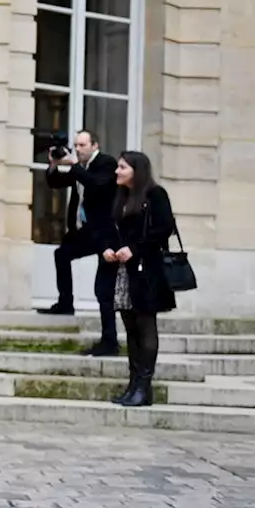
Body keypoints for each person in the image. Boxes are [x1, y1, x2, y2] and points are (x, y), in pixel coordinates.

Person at [102, 151, 177, 408]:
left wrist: (135, 248)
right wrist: (109, 248)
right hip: (125, 271)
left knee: (145, 326)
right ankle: (134, 384)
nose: (117, 171)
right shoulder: (121, 196)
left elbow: (163, 229)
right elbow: (112, 229)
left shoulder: (156, 195)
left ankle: (144, 386)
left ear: (136, 170)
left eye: (122, 167)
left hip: (148, 271)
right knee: (131, 328)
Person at [39, 129, 120, 357]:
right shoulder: (80, 168)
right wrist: (54, 164)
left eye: (83, 145)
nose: (78, 149)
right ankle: (66, 303)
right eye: (76, 146)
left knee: (103, 290)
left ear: (95, 145)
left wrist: (73, 164)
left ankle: (110, 340)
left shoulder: (106, 163)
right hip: (87, 231)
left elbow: (97, 185)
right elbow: (55, 182)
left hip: (106, 234)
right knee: (62, 255)